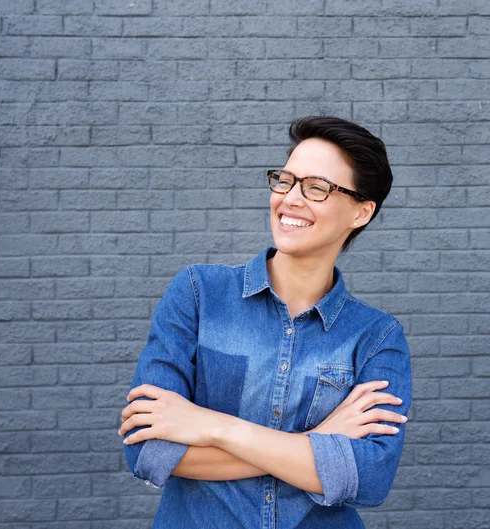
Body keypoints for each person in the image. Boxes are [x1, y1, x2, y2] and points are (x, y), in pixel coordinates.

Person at [118, 115, 413, 528]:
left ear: (361, 212)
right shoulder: (198, 294)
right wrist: (317, 445)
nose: (291, 198)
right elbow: (147, 451)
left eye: (317, 188)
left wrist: (210, 426)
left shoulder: (377, 337)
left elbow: (367, 478)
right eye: (286, 180)